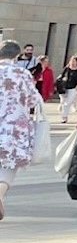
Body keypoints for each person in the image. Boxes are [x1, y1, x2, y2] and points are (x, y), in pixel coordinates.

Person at [0, 40, 44, 221]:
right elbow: (35, 100)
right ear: (17, 56)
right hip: (14, 128)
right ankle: (0, 193)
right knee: (9, 165)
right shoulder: (22, 73)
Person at [56, 55, 77, 122]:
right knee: (63, 102)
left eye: (74, 61)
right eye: (72, 61)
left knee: (68, 102)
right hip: (64, 87)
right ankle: (64, 116)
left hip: (73, 88)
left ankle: (64, 116)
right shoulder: (67, 69)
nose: (72, 62)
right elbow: (61, 76)